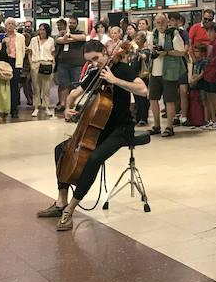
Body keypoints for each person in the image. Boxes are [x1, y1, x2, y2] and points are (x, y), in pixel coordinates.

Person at [36, 39, 148, 231]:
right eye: (90, 61)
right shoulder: (95, 74)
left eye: (96, 59)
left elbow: (143, 90)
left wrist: (115, 81)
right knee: (60, 150)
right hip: (98, 128)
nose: (95, 64)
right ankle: (61, 201)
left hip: (121, 128)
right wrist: (69, 109)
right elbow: (73, 94)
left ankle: (70, 209)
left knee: (94, 159)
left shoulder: (121, 69)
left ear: (105, 52)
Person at [146, 14, 186, 137]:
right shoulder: (153, 34)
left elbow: (181, 52)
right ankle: (156, 125)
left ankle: (169, 127)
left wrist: (166, 52)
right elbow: (150, 49)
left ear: (167, 22)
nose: (160, 25)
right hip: (155, 72)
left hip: (170, 72)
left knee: (169, 100)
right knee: (153, 98)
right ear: (154, 23)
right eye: (158, 22)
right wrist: (153, 51)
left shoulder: (174, 34)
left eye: (162, 22)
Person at [55, 17, 86, 113]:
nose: (71, 24)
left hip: (77, 64)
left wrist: (69, 37)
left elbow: (83, 38)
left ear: (77, 24)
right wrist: (69, 39)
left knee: (76, 86)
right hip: (63, 63)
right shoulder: (62, 33)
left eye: (73, 23)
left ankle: (75, 105)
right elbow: (59, 40)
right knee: (64, 85)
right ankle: (64, 105)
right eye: (70, 22)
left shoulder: (81, 32)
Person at [0, 18, 26, 119]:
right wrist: (5, 43)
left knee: (14, 86)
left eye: (12, 24)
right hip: (4, 62)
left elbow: (22, 51)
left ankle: (14, 109)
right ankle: (3, 109)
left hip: (15, 62)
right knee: (3, 87)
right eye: (8, 24)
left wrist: (19, 63)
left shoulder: (20, 37)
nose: (10, 25)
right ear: (5, 25)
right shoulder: (1, 36)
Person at [169, 13, 193, 127]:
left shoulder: (184, 33)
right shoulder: (167, 34)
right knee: (173, 93)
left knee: (183, 91)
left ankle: (184, 117)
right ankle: (174, 116)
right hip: (170, 67)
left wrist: (172, 53)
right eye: (170, 20)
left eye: (174, 20)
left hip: (182, 66)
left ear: (179, 21)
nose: (172, 23)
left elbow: (185, 51)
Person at [29, 22, 56, 118]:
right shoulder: (33, 40)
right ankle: (36, 107)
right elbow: (30, 53)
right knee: (36, 87)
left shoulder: (51, 40)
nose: (41, 31)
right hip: (36, 63)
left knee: (46, 87)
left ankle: (46, 107)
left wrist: (53, 64)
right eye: (40, 29)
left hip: (47, 63)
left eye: (43, 29)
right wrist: (31, 64)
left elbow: (52, 53)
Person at [201, 22, 216, 129]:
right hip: (208, 72)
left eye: (210, 31)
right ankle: (213, 120)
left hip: (215, 73)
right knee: (209, 97)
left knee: (215, 97)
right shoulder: (210, 43)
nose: (208, 34)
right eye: (207, 31)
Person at [129, 31, 151, 126]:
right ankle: (137, 117)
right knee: (136, 98)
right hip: (134, 76)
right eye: (136, 39)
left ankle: (143, 118)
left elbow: (144, 57)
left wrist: (137, 51)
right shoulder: (133, 51)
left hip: (143, 76)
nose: (137, 41)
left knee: (143, 97)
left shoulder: (146, 50)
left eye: (139, 39)